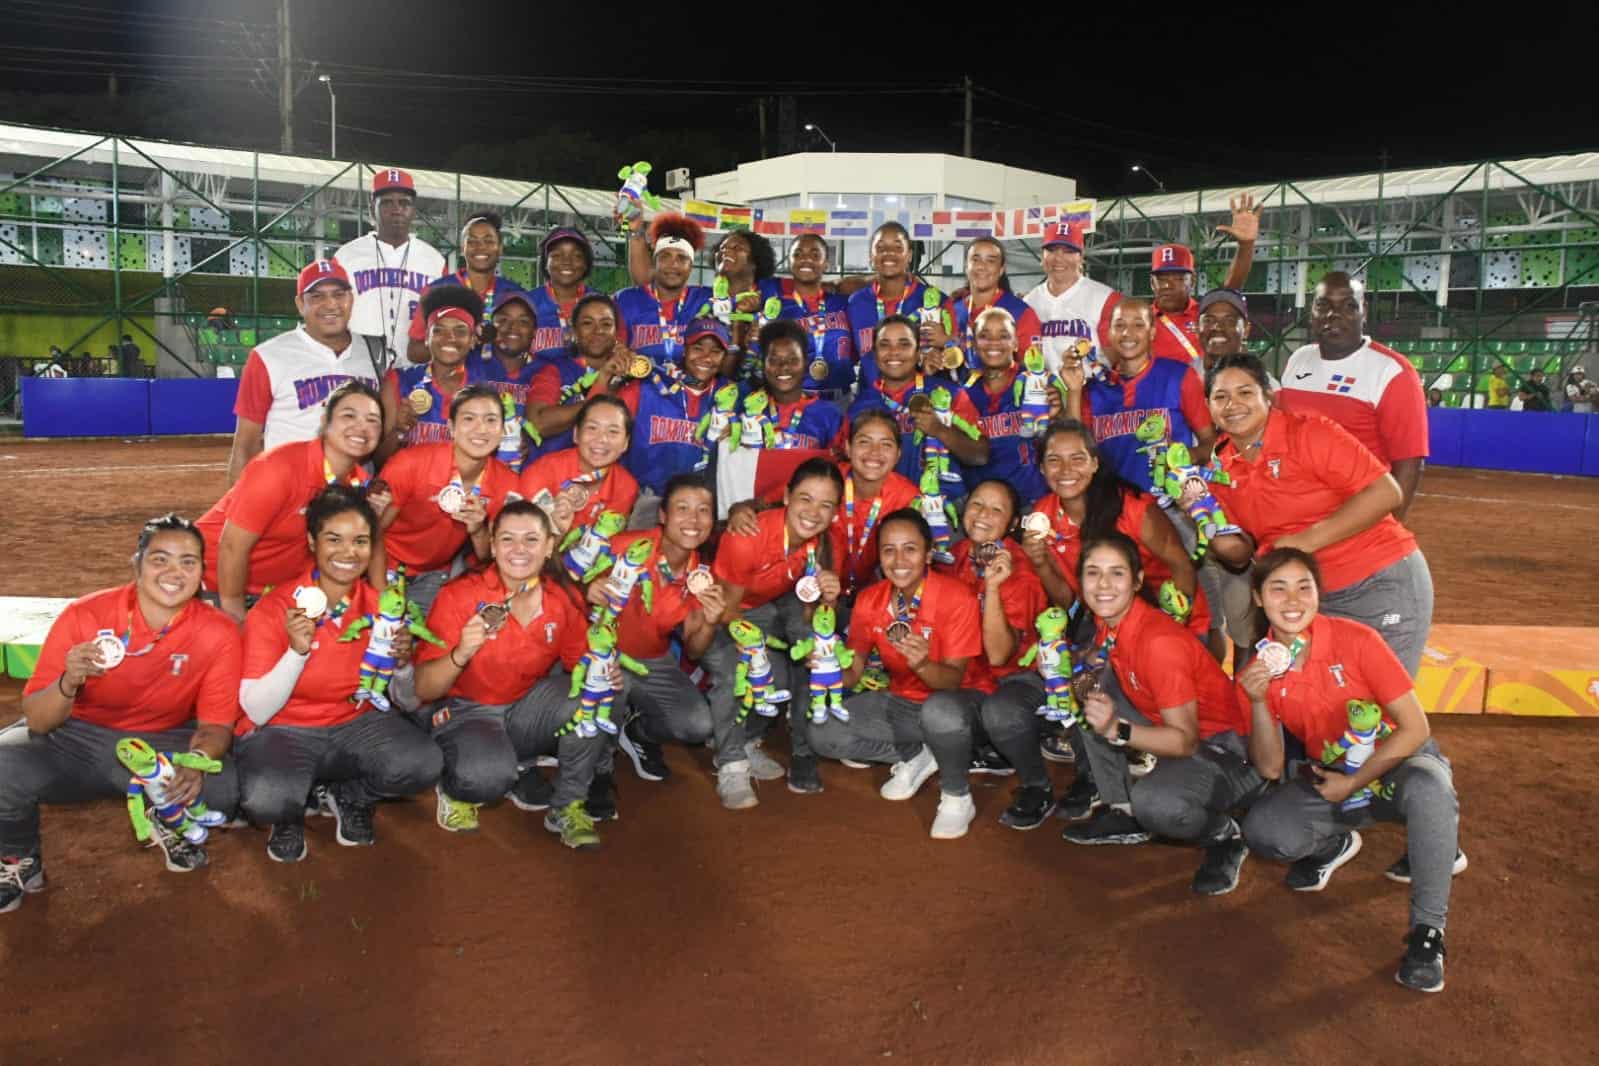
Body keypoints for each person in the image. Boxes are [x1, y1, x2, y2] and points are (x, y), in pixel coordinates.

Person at [1239, 548, 1463, 994]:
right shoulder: (1258, 670)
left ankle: (1427, 935)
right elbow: (1269, 765)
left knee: (1430, 789)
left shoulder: (1356, 639)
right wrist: (1258, 701)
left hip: (1392, 765)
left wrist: (1354, 783)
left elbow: (1416, 727)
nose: (1293, 599)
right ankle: (1336, 841)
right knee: (1265, 831)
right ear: (1258, 598)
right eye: (1277, 587)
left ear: (1319, 593)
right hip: (1331, 773)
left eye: (1305, 586)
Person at [3, 515, 242, 908]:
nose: (174, 572)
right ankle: (18, 858)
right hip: (77, 736)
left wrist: (197, 761)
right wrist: (69, 681)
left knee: (222, 786)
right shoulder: (86, 616)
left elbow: (216, 725)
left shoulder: (218, 632)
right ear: (136, 564)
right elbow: (41, 720)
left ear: (202, 573)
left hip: (160, 742)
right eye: (159, 559)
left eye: (189, 561)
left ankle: (168, 819)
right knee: (4, 766)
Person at [235, 486, 443, 863]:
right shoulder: (275, 608)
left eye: (361, 541)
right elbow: (257, 710)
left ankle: (351, 795)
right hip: (286, 729)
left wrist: (402, 663)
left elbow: (408, 700)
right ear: (312, 541)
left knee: (422, 763)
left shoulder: (384, 608)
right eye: (335, 539)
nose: (349, 552)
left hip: (356, 724)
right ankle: (289, 812)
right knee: (265, 798)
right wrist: (296, 652)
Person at [1205, 354, 1434, 675]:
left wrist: (1303, 541)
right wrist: (1198, 509)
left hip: (1376, 581)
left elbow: (1387, 493)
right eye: (1220, 396)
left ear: (1267, 396)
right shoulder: (1222, 470)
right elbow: (1238, 553)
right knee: (1325, 704)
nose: (1233, 404)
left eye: (1245, 392)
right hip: (1308, 600)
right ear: (1209, 408)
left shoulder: (1310, 433)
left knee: (1380, 711)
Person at [1064, 535, 1258, 897]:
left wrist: (1116, 728)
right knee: (1084, 692)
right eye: (1093, 573)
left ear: (1137, 581)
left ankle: (1224, 835)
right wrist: (1085, 665)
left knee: (1157, 804)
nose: (1103, 585)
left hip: (1226, 749)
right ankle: (1120, 810)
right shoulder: (1111, 617)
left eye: (1116, 573)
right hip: (1176, 726)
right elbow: (1099, 659)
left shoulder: (1158, 643)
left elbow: (1184, 741)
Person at [412, 501, 606, 849]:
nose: (519, 550)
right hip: (467, 710)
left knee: (599, 691)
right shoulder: (459, 595)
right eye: (508, 539)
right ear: (493, 542)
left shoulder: (561, 596)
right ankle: (456, 780)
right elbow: (424, 688)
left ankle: (567, 806)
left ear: (549, 546)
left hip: (524, 706)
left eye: (531, 540)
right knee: (488, 780)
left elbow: (583, 662)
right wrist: (460, 654)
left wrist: (605, 670)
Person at [809, 509, 998, 840]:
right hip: (903, 703)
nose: (899, 560)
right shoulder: (870, 600)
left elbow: (952, 681)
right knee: (822, 731)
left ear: (928, 554)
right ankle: (919, 754)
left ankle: (957, 796)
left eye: (910, 549)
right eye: (888, 550)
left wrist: (923, 664)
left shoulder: (957, 597)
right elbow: (853, 672)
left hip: (962, 705)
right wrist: (829, 669)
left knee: (939, 711)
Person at [708, 459, 846, 804]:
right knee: (738, 670)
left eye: (825, 505)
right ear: (786, 496)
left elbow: (814, 615)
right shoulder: (747, 536)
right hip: (725, 610)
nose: (814, 512)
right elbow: (727, 610)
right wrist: (758, 649)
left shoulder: (829, 545)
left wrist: (828, 600)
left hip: (771, 604)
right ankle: (730, 763)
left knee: (807, 660)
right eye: (805, 498)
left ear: (835, 513)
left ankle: (751, 740)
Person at [198, 381, 389, 625]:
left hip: (276, 591)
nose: (361, 427)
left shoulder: (359, 484)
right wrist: (235, 612)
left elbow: (366, 547)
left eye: (373, 420)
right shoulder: (278, 468)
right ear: (324, 422)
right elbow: (232, 546)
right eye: (348, 415)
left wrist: (384, 609)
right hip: (216, 584)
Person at [1020, 420, 1217, 648]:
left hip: (1174, 617)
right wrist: (1040, 563)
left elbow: (1181, 566)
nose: (1066, 470)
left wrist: (1171, 627)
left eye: (1078, 459)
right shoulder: (1042, 516)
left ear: (1094, 464)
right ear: (1042, 467)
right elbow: (1067, 601)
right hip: (1110, 626)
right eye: (1054, 460)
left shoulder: (1133, 508)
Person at [937, 479, 1058, 829]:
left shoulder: (1021, 571)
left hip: (1018, 679)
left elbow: (999, 655)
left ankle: (1037, 785)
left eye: (996, 510)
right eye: (977, 504)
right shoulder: (955, 556)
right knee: (931, 704)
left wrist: (992, 587)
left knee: (1001, 712)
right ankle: (993, 747)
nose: (982, 515)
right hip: (970, 674)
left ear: (1010, 523)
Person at [594, 474, 725, 785]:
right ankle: (598, 771)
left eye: (703, 510)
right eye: (683, 508)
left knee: (697, 725)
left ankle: (638, 731)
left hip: (653, 660)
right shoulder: (626, 547)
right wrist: (587, 588)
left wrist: (710, 620)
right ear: (663, 516)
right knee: (611, 681)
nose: (694, 519)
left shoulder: (702, 576)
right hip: (604, 654)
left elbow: (693, 650)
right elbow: (569, 576)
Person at [1275, 273, 1428, 519]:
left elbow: (1409, 463)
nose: (1333, 315)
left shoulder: (1392, 371)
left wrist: (1387, 529)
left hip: (1353, 517)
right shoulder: (1299, 359)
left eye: (1348, 306)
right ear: (1311, 312)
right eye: (1323, 305)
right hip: (1295, 511)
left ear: (1363, 312)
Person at [228, 259, 383, 486]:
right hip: (289, 491)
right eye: (317, 296)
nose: (331, 305)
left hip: (354, 496)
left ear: (351, 299)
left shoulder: (376, 354)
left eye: (339, 294)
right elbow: (246, 444)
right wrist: (238, 507)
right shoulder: (268, 356)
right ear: (300, 304)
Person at [375, 384, 521, 615]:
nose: (480, 429)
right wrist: (382, 598)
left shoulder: (508, 484)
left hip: (435, 574)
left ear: (503, 430)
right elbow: (372, 533)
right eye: (469, 419)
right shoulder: (410, 463)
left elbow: (487, 558)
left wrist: (477, 530)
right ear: (451, 427)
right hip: (384, 564)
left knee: (429, 644)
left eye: (491, 420)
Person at [1063, 297, 1215, 497]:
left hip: (1170, 503)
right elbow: (1074, 448)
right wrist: (1073, 389)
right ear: (1109, 333)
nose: (1128, 333)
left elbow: (1210, 443)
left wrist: (1185, 456)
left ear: (1152, 332)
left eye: (1138, 325)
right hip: (1110, 504)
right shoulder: (1094, 389)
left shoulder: (1179, 376)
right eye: (1119, 325)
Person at [845, 315, 989, 485]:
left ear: (918, 352)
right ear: (875, 355)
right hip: (887, 504)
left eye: (904, 344)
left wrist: (940, 430)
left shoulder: (948, 393)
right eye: (885, 345)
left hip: (941, 502)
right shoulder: (860, 406)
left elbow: (981, 455)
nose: (894, 352)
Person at [623, 319, 736, 529]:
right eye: (698, 348)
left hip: (701, 504)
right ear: (684, 349)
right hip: (647, 499)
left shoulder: (731, 395)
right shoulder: (648, 387)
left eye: (715, 351)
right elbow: (608, 425)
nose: (706, 357)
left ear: (724, 356)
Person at [333, 169, 446, 368]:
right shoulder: (346, 257)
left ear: (413, 210)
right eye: (386, 202)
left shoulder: (434, 260)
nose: (396, 209)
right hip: (358, 368)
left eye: (404, 203)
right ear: (371, 209)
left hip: (416, 371)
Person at [1147, 195, 1261, 372]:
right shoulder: (1141, 321)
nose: (1168, 285)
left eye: (1177, 278)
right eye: (1161, 279)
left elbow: (1231, 288)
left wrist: (1245, 246)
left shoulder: (1206, 316)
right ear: (1152, 283)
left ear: (1191, 281)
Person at [379, 286, 491, 460]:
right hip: (406, 485)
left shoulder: (485, 390)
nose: (450, 338)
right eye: (439, 330)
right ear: (426, 337)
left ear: (473, 340)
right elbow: (378, 461)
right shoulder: (398, 381)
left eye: (460, 331)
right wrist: (399, 430)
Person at [524, 293, 640, 461]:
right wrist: (601, 386)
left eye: (606, 324)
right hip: (552, 478)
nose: (598, 331)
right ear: (574, 331)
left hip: (607, 479)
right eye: (587, 323)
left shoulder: (630, 376)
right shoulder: (554, 370)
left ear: (616, 333)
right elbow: (538, 424)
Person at [404, 212, 527, 366]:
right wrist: (459, 341)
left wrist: (499, 339)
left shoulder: (515, 295)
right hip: (451, 387)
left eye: (488, 241)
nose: (480, 247)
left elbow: (528, 350)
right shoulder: (437, 291)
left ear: (500, 248)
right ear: (463, 248)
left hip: (499, 387)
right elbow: (414, 352)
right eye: (472, 241)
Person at [845, 222, 957, 387]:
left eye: (898, 248)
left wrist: (946, 343)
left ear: (909, 255)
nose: (889, 253)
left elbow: (957, 355)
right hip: (871, 403)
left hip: (920, 403)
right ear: (871, 256)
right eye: (881, 248)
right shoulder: (856, 303)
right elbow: (851, 356)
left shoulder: (938, 301)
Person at [519, 394, 640, 539]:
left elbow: (603, 545)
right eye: (592, 428)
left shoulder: (626, 487)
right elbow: (521, 540)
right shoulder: (543, 470)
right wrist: (554, 528)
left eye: (613, 431)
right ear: (576, 434)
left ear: (626, 443)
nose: (602, 439)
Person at [961, 305, 1048, 506]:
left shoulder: (1037, 383)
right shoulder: (964, 392)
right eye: (984, 335)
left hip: (1032, 501)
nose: (994, 342)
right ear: (973, 343)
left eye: (1003, 335)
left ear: (1016, 343)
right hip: (983, 505)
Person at [832, 410, 919, 594]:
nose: (874, 452)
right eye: (864, 442)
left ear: (898, 455)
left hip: (877, 591)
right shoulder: (825, 480)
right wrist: (754, 510)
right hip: (817, 586)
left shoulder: (908, 497)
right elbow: (773, 503)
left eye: (886, 445)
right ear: (847, 447)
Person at [614, 213, 714, 370]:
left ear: (691, 266)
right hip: (640, 390)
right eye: (665, 256)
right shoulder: (627, 299)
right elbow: (613, 346)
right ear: (655, 262)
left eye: (682, 258)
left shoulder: (706, 299)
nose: (673, 264)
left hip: (691, 392)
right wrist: (618, 350)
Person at [1022, 220, 1120, 373]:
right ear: (1043, 256)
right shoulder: (1028, 302)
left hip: (1091, 392)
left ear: (1081, 257)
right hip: (1041, 392)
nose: (1058, 258)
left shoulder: (1106, 298)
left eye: (1068, 251)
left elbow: (1117, 360)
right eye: (1052, 250)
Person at [773, 233, 854, 396]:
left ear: (826, 264)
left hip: (841, 399)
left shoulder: (844, 302)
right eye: (798, 254)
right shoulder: (777, 307)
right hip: (796, 398)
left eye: (815, 255)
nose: (806, 259)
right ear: (790, 262)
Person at [749, 319, 845, 451]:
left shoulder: (829, 415)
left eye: (793, 359)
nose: (784, 366)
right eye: (774, 360)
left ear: (805, 363)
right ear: (764, 365)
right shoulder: (752, 410)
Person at [950, 237, 1033, 371]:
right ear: (966, 266)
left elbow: (1032, 367)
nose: (982, 266)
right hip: (957, 390)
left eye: (991, 261)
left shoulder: (1020, 312)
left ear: (1001, 269)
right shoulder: (953, 311)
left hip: (1004, 391)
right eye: (975, 259)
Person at [528, 228, 597, 365]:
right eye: (557, 256)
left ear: (585, 264)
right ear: (545, 263)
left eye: (576, 256)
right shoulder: (527, 303)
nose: (567, 262)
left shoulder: (601, 305)